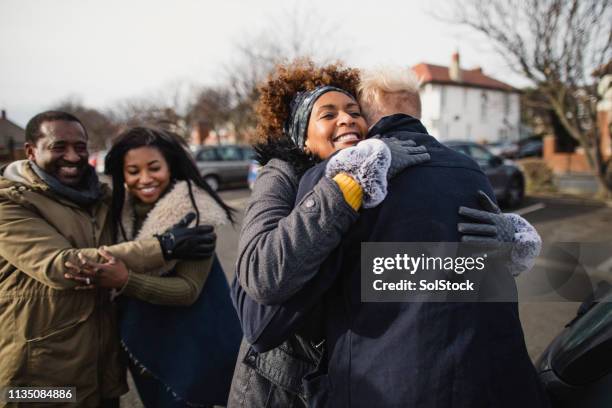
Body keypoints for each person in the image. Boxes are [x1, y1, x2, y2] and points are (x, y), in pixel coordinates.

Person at [228, 61, 541, 406]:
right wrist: (346, 185)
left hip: (329, 376)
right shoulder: (283, 175)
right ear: (301, 137)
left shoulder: (374, 174)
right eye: (327, 114)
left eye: (353, 111)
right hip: (276, 383)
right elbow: (258, 300)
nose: (346, 119)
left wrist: (499, 252)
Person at [0, 112, 212, 407]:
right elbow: (61, 265)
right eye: (59, 146)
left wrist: (186, 206)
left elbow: (147, 201)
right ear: (31, 151)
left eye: (81, 146)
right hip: (38, 375)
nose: (73, 156)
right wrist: (162, 246)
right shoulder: (9, 202)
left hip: (100, 374)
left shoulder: (100, 198)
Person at [63, 127, 242, 407]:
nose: (144, 179)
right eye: (133, 171)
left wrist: (125, 280)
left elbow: (189, 290)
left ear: (170, 167)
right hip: (146, 347)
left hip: (190, 348)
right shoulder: (119, 212)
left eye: (154, 168)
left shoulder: (193, 211)